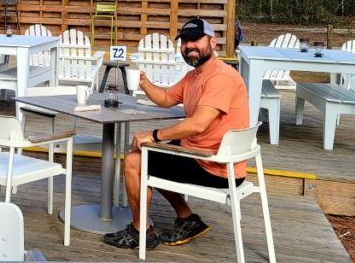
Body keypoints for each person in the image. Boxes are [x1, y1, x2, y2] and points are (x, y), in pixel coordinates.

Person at [103, 18, 250, 250]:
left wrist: (154, 135)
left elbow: (198, 124)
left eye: (195, 40)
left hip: (217, 165)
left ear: (213, 42)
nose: (188, 45)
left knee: (135, 161)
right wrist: (144, 83)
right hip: (202, 153)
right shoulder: (195, 76)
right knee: (152, 155)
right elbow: (167, 98)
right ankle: (187, 218)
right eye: (184, 41)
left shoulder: (220, 77)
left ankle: (140, 231)